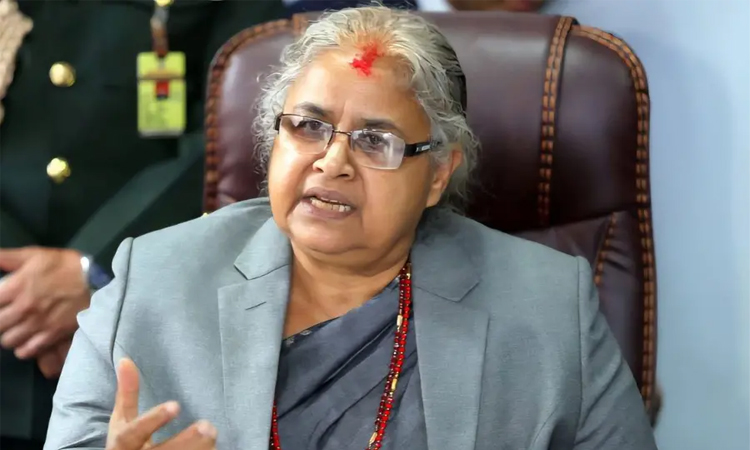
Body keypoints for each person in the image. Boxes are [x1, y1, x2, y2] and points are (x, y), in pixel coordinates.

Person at [44, 6, 657, 450]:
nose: (331, 161)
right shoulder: (151, 280)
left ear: (438, 174)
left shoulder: (550, 304)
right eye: (308, 127)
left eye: (375, 140)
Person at [0, 0, 285, 449]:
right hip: (9, 311)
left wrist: (97, 269)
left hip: (137, 324)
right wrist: (19, 287)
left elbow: (234, 132)